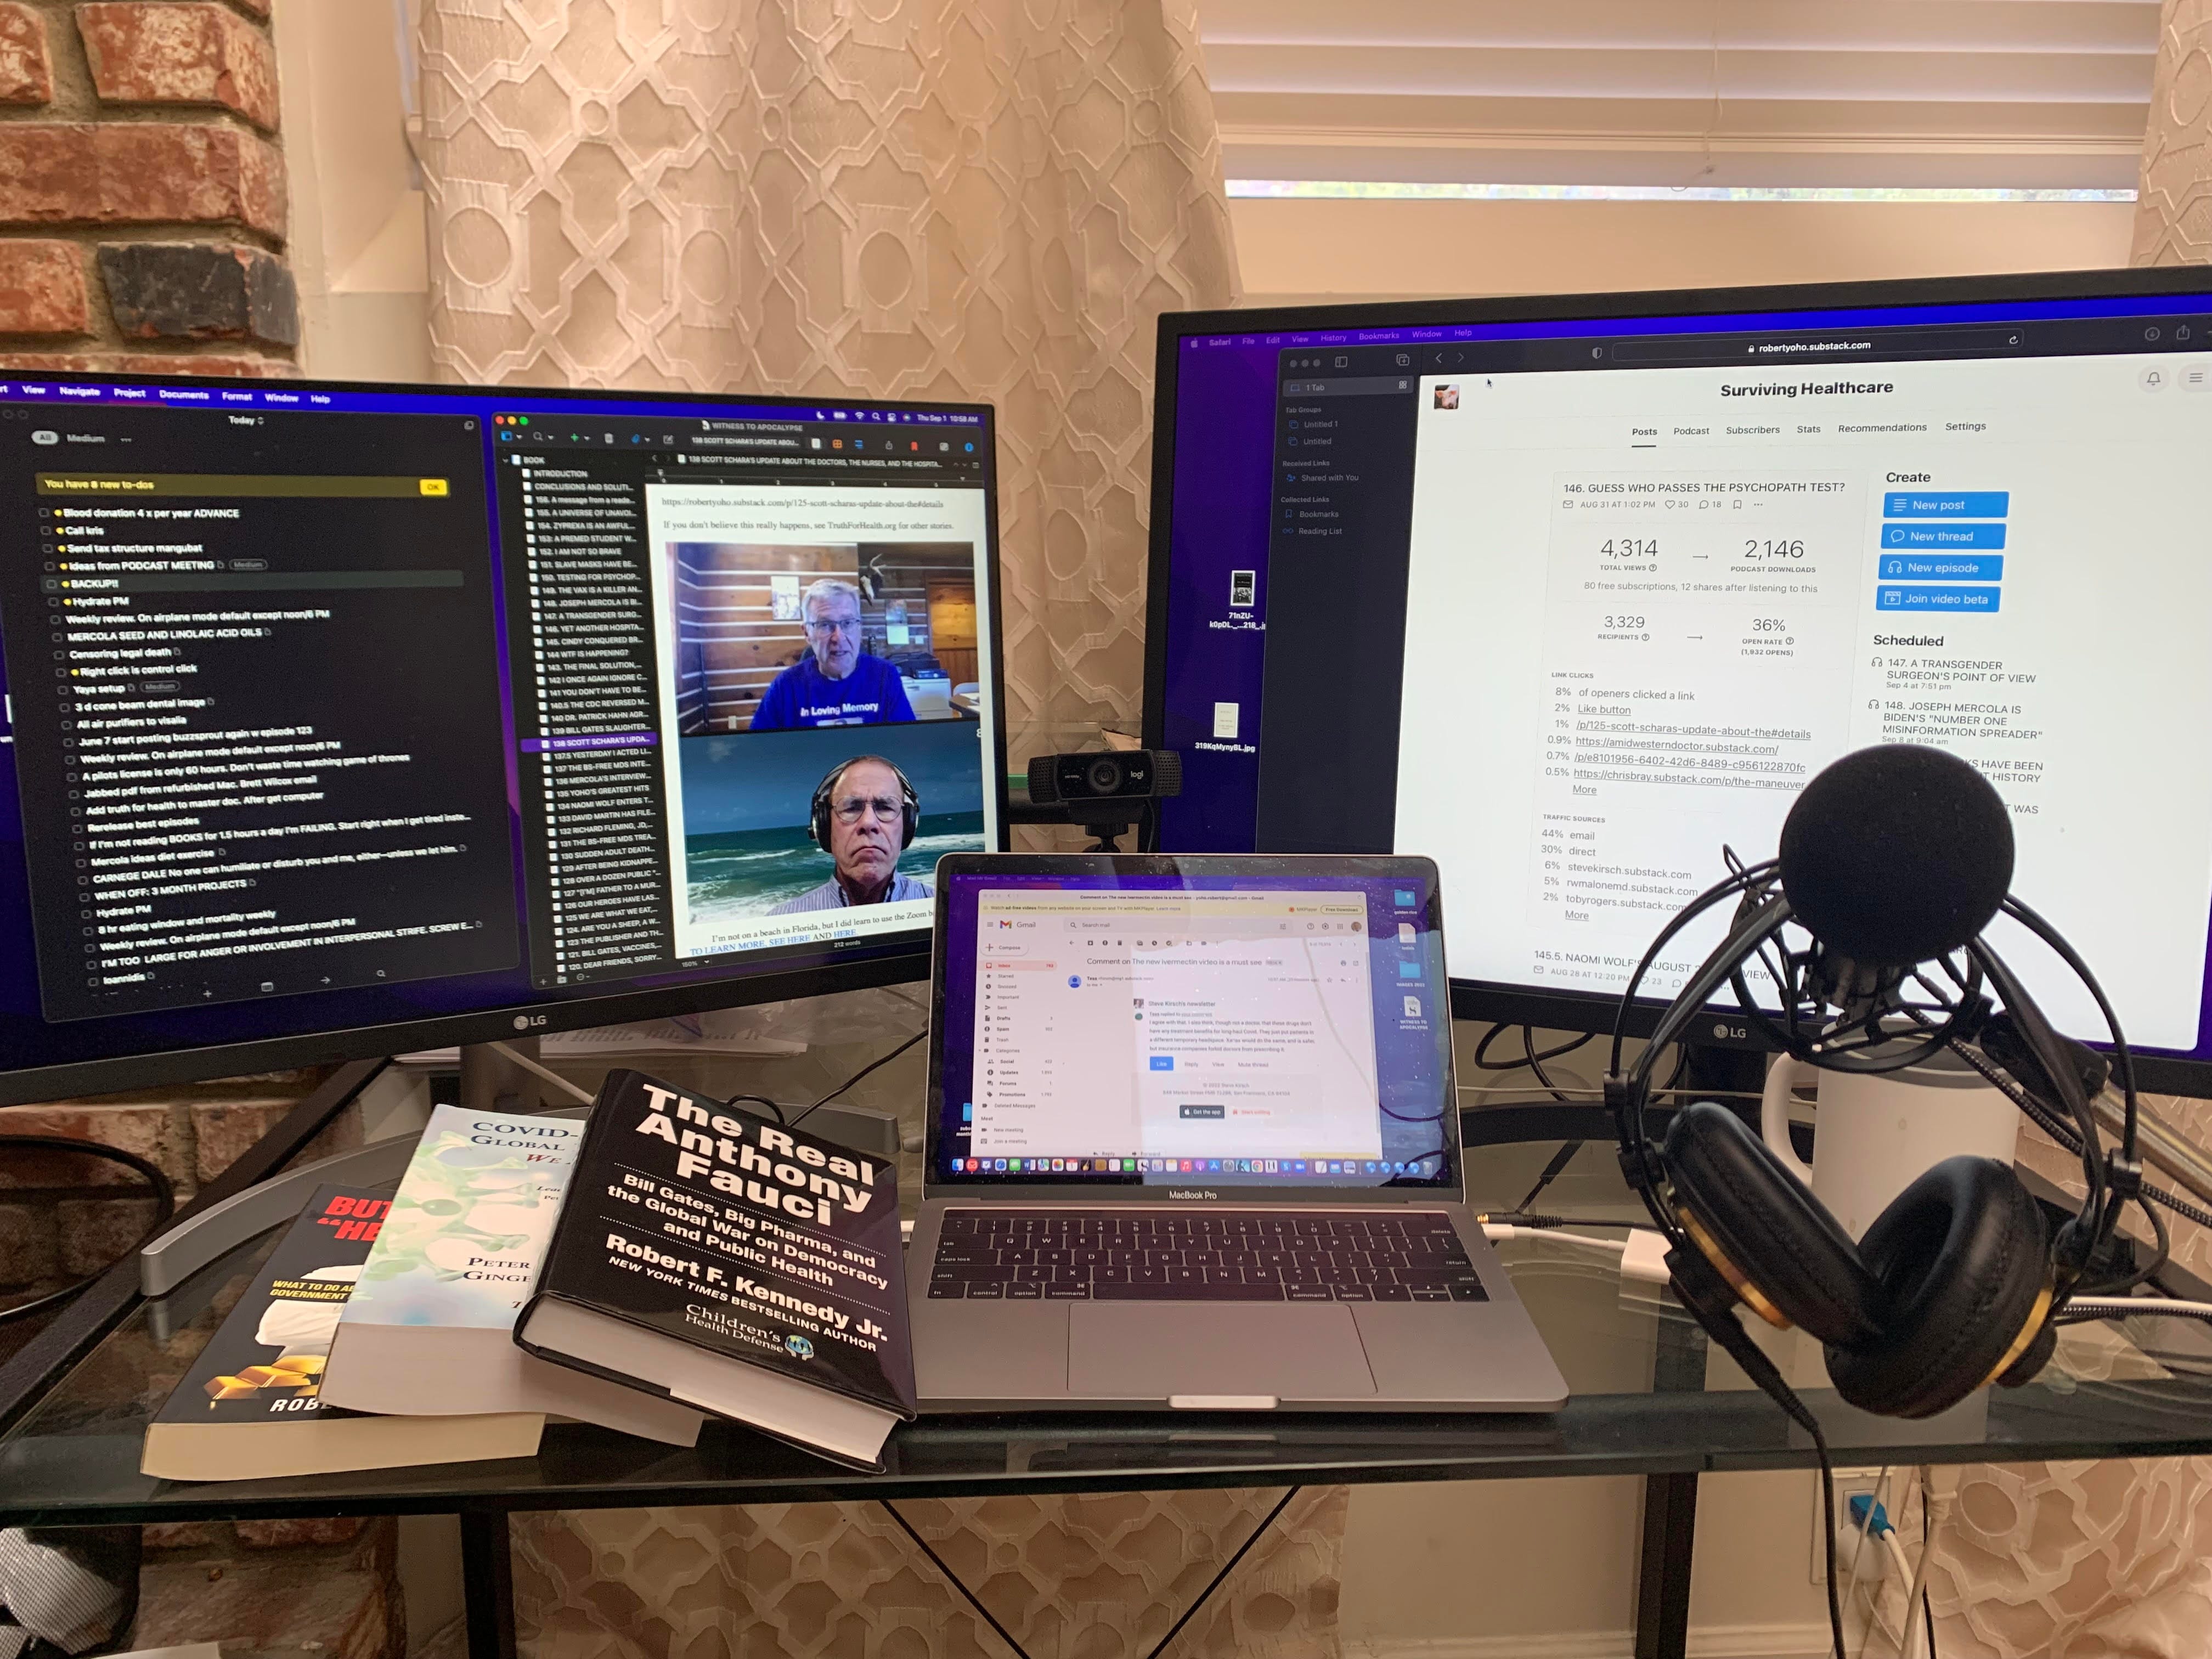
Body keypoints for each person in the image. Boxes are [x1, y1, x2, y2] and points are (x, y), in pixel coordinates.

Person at [770, 755, 934, 913]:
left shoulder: (945, 912)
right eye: (851, 808)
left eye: (885, 807)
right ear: (824, 825)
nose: (868, 823)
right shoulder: (781, 922)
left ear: (908, 824)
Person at [749, 578, 916, 730]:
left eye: (848, 623)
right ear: (807, 633)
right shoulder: (785, 686)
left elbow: (905, 741)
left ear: (859, 627)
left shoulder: (885, 676)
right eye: (825, 625)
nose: (838, 637)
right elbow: (760, 748)